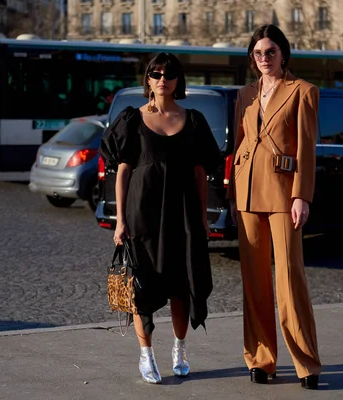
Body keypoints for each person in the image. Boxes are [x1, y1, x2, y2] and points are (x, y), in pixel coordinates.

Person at [99, 52, 221, 384]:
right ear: (148, 80)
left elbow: (199, 173)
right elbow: (122, 172)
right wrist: (120, 220)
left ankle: (179, 350)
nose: (162, 79)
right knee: (143, 287)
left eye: (168, 74)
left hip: (181, 215)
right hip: (142, 215)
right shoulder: (131, 120)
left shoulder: (193, 120)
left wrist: (203, 216)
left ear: (178, 80)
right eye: (155, 73)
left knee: (182, 287)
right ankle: (146, 355)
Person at [227, 25, 322, 389]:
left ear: (283, 54)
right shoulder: (245, 95)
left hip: (284, 193)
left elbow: (306, 148)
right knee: (253, 282)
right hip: (248, 192)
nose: (264, 58)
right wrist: (234, 196)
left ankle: (306, 362)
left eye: (270, 52)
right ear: (252, 58)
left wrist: (302, 195)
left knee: (289, 278)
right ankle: (262, 360)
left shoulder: (304, 92)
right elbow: (238, 146)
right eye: (258, 53)